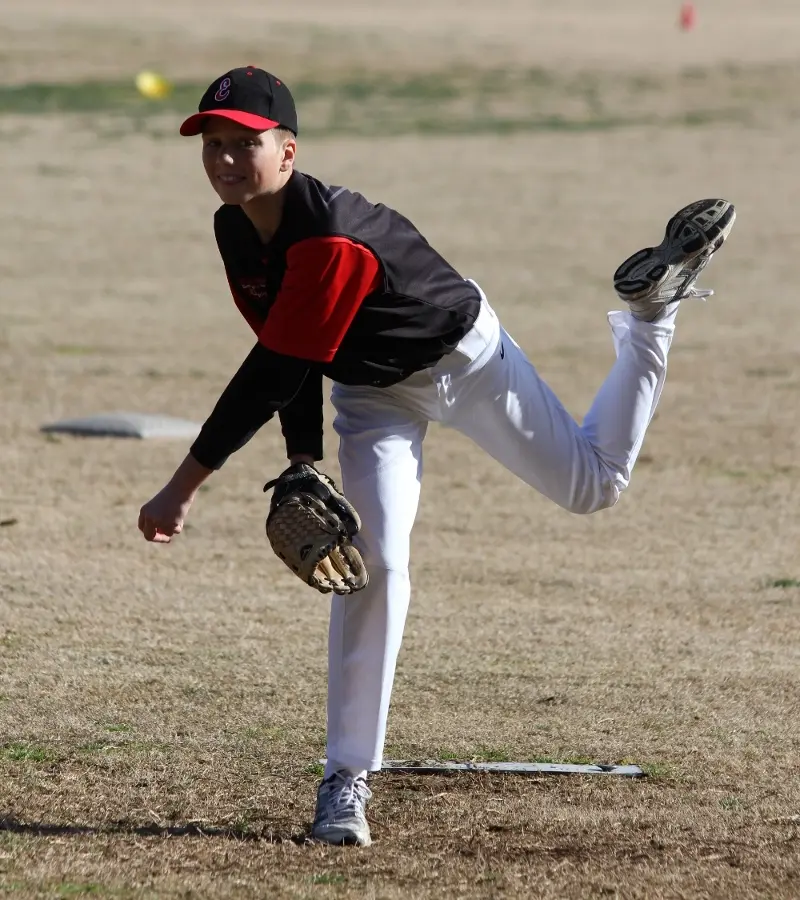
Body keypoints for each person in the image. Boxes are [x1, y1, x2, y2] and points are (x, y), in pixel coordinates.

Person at [137, 66, 736, 847]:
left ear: (287, 150)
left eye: (242, 144)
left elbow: (272, 372)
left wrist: (182, 487)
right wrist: (302, 462)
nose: (222, 159)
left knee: (593, 487)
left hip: (466, 360)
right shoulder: (236, 228)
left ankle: (651, 313)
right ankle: (346, 778)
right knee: (374, 565)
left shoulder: (329, 239)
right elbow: (286, 350)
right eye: (211, 143)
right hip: (371, 395)